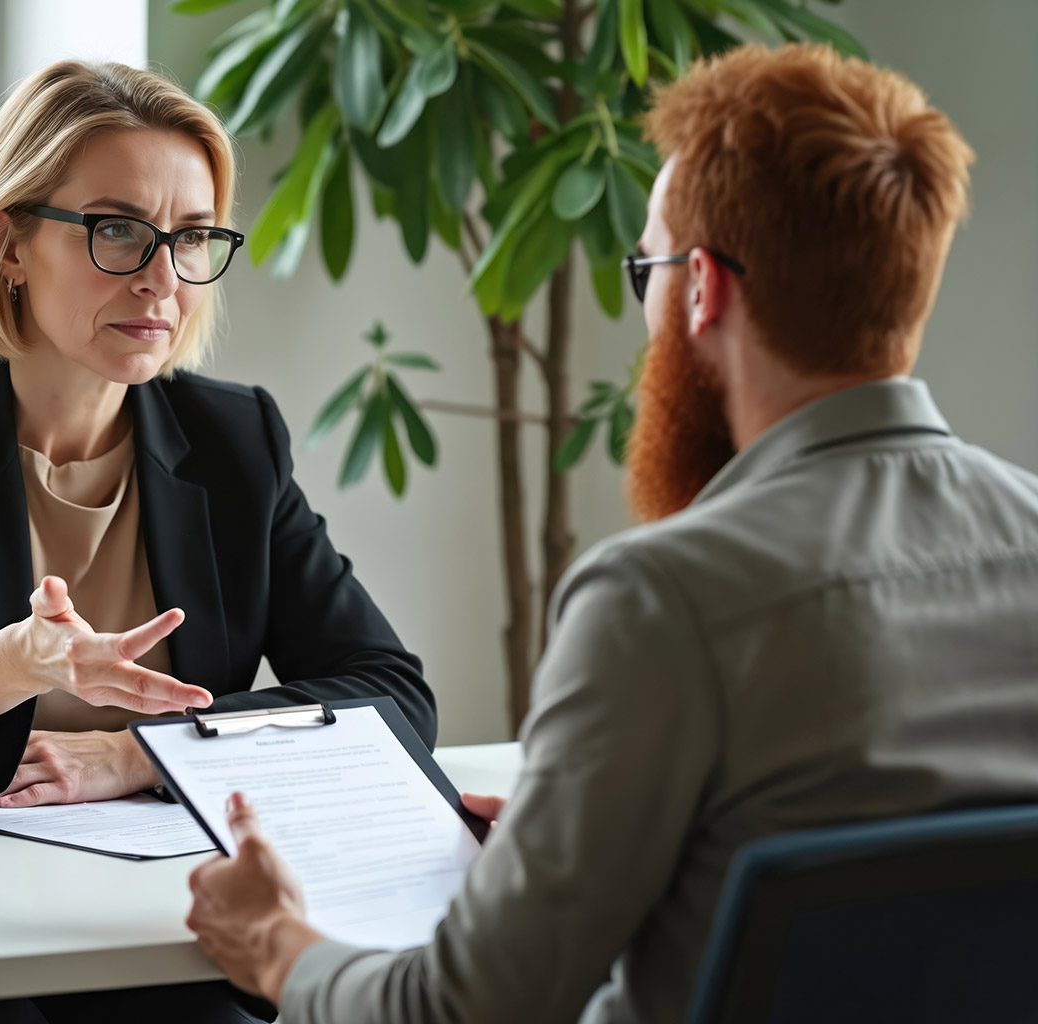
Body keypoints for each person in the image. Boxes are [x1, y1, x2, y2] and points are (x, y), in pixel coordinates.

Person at [185, 43, 1038, 1023]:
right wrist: (576, 850)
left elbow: (462, 1011)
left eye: (648, 267)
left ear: (703, 289)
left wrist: (279, 946)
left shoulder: (663, 599)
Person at [0, 59, 434, 1023]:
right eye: (117, 231)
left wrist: (142, 754)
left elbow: (388, 694)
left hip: (139, 915)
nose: (161, 279)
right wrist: (13, 665)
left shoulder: (234, 441)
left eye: (191, 239)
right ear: (10, 243)